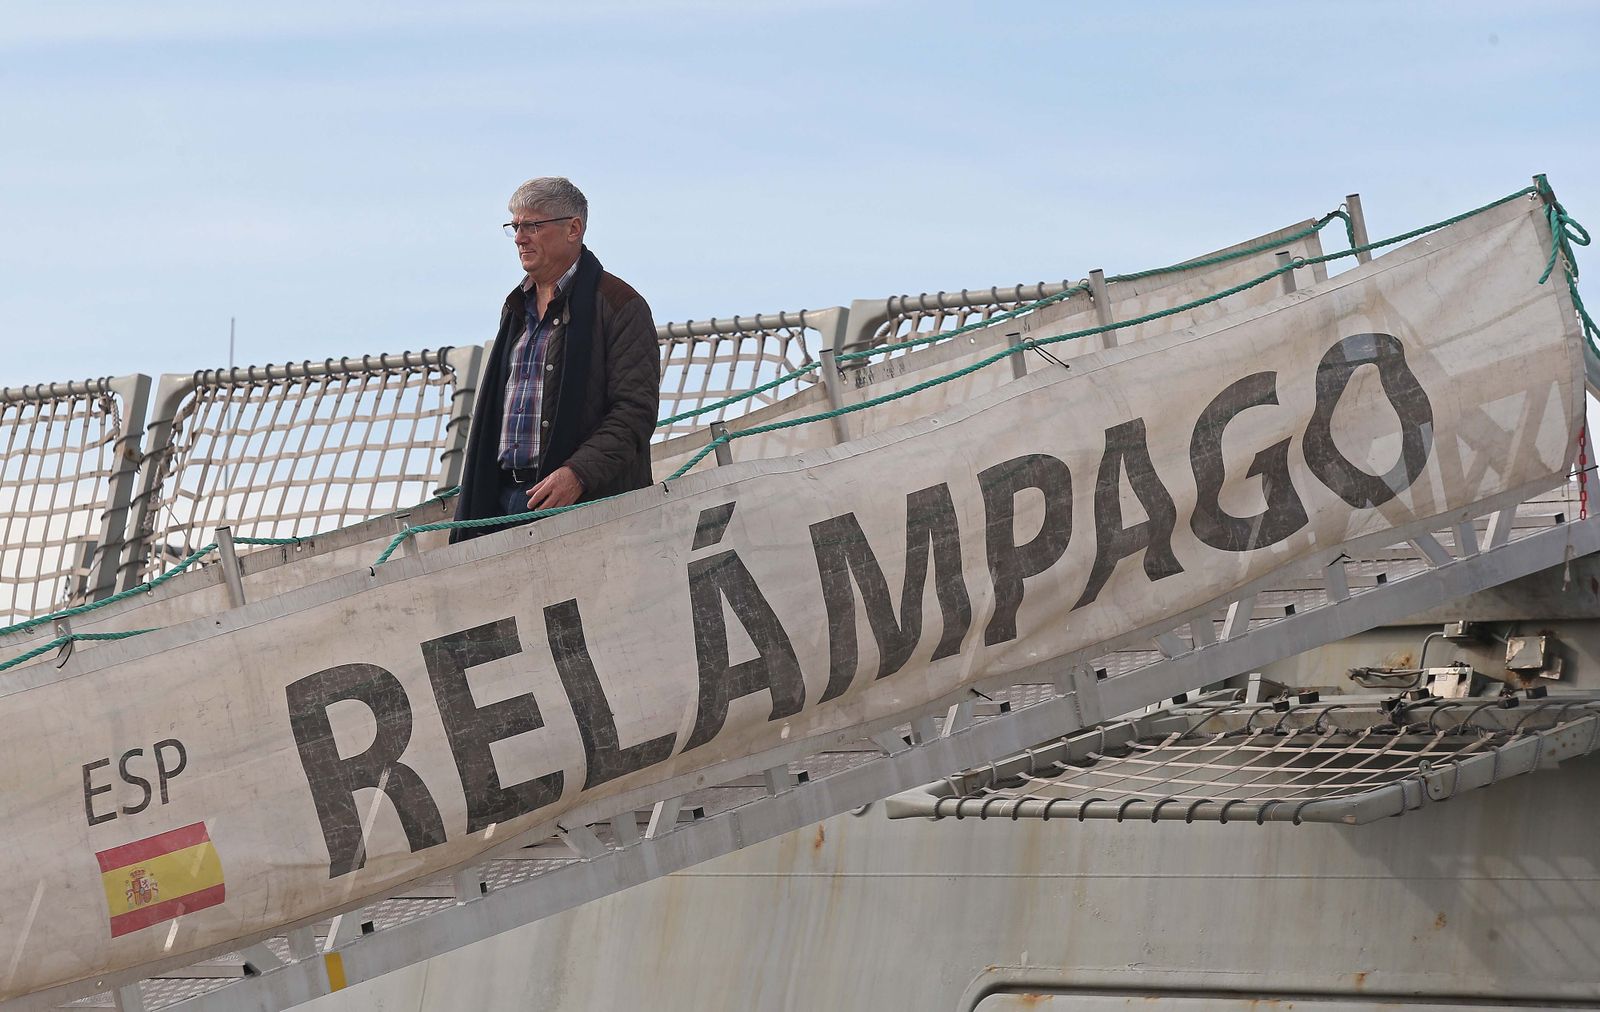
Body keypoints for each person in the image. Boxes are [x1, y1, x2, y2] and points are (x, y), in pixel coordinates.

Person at [450, 177, 660, 542]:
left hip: (584, 505)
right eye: (515, 226)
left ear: (573, 229)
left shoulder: (620, 304)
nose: (519, 238)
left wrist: (578, 474)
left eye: (532, 225)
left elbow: (634, 412)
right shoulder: (515, 308)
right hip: (501, 500)